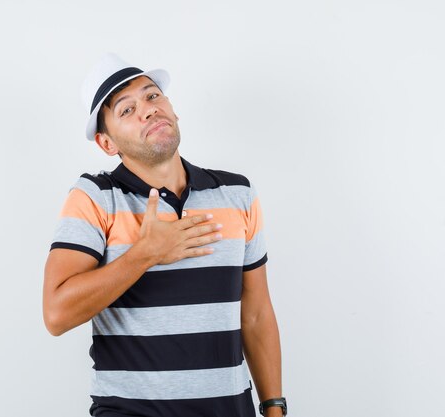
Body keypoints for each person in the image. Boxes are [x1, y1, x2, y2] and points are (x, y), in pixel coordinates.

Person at [43, 53, 287, 417]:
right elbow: (56, 314)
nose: (147, 110)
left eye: (152, 96)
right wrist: (146, 252)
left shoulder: (237, 193)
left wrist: (274, 408)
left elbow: (255, 313)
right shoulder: (95, 197)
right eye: (126, 110)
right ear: (107, 144)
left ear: (172, 109)